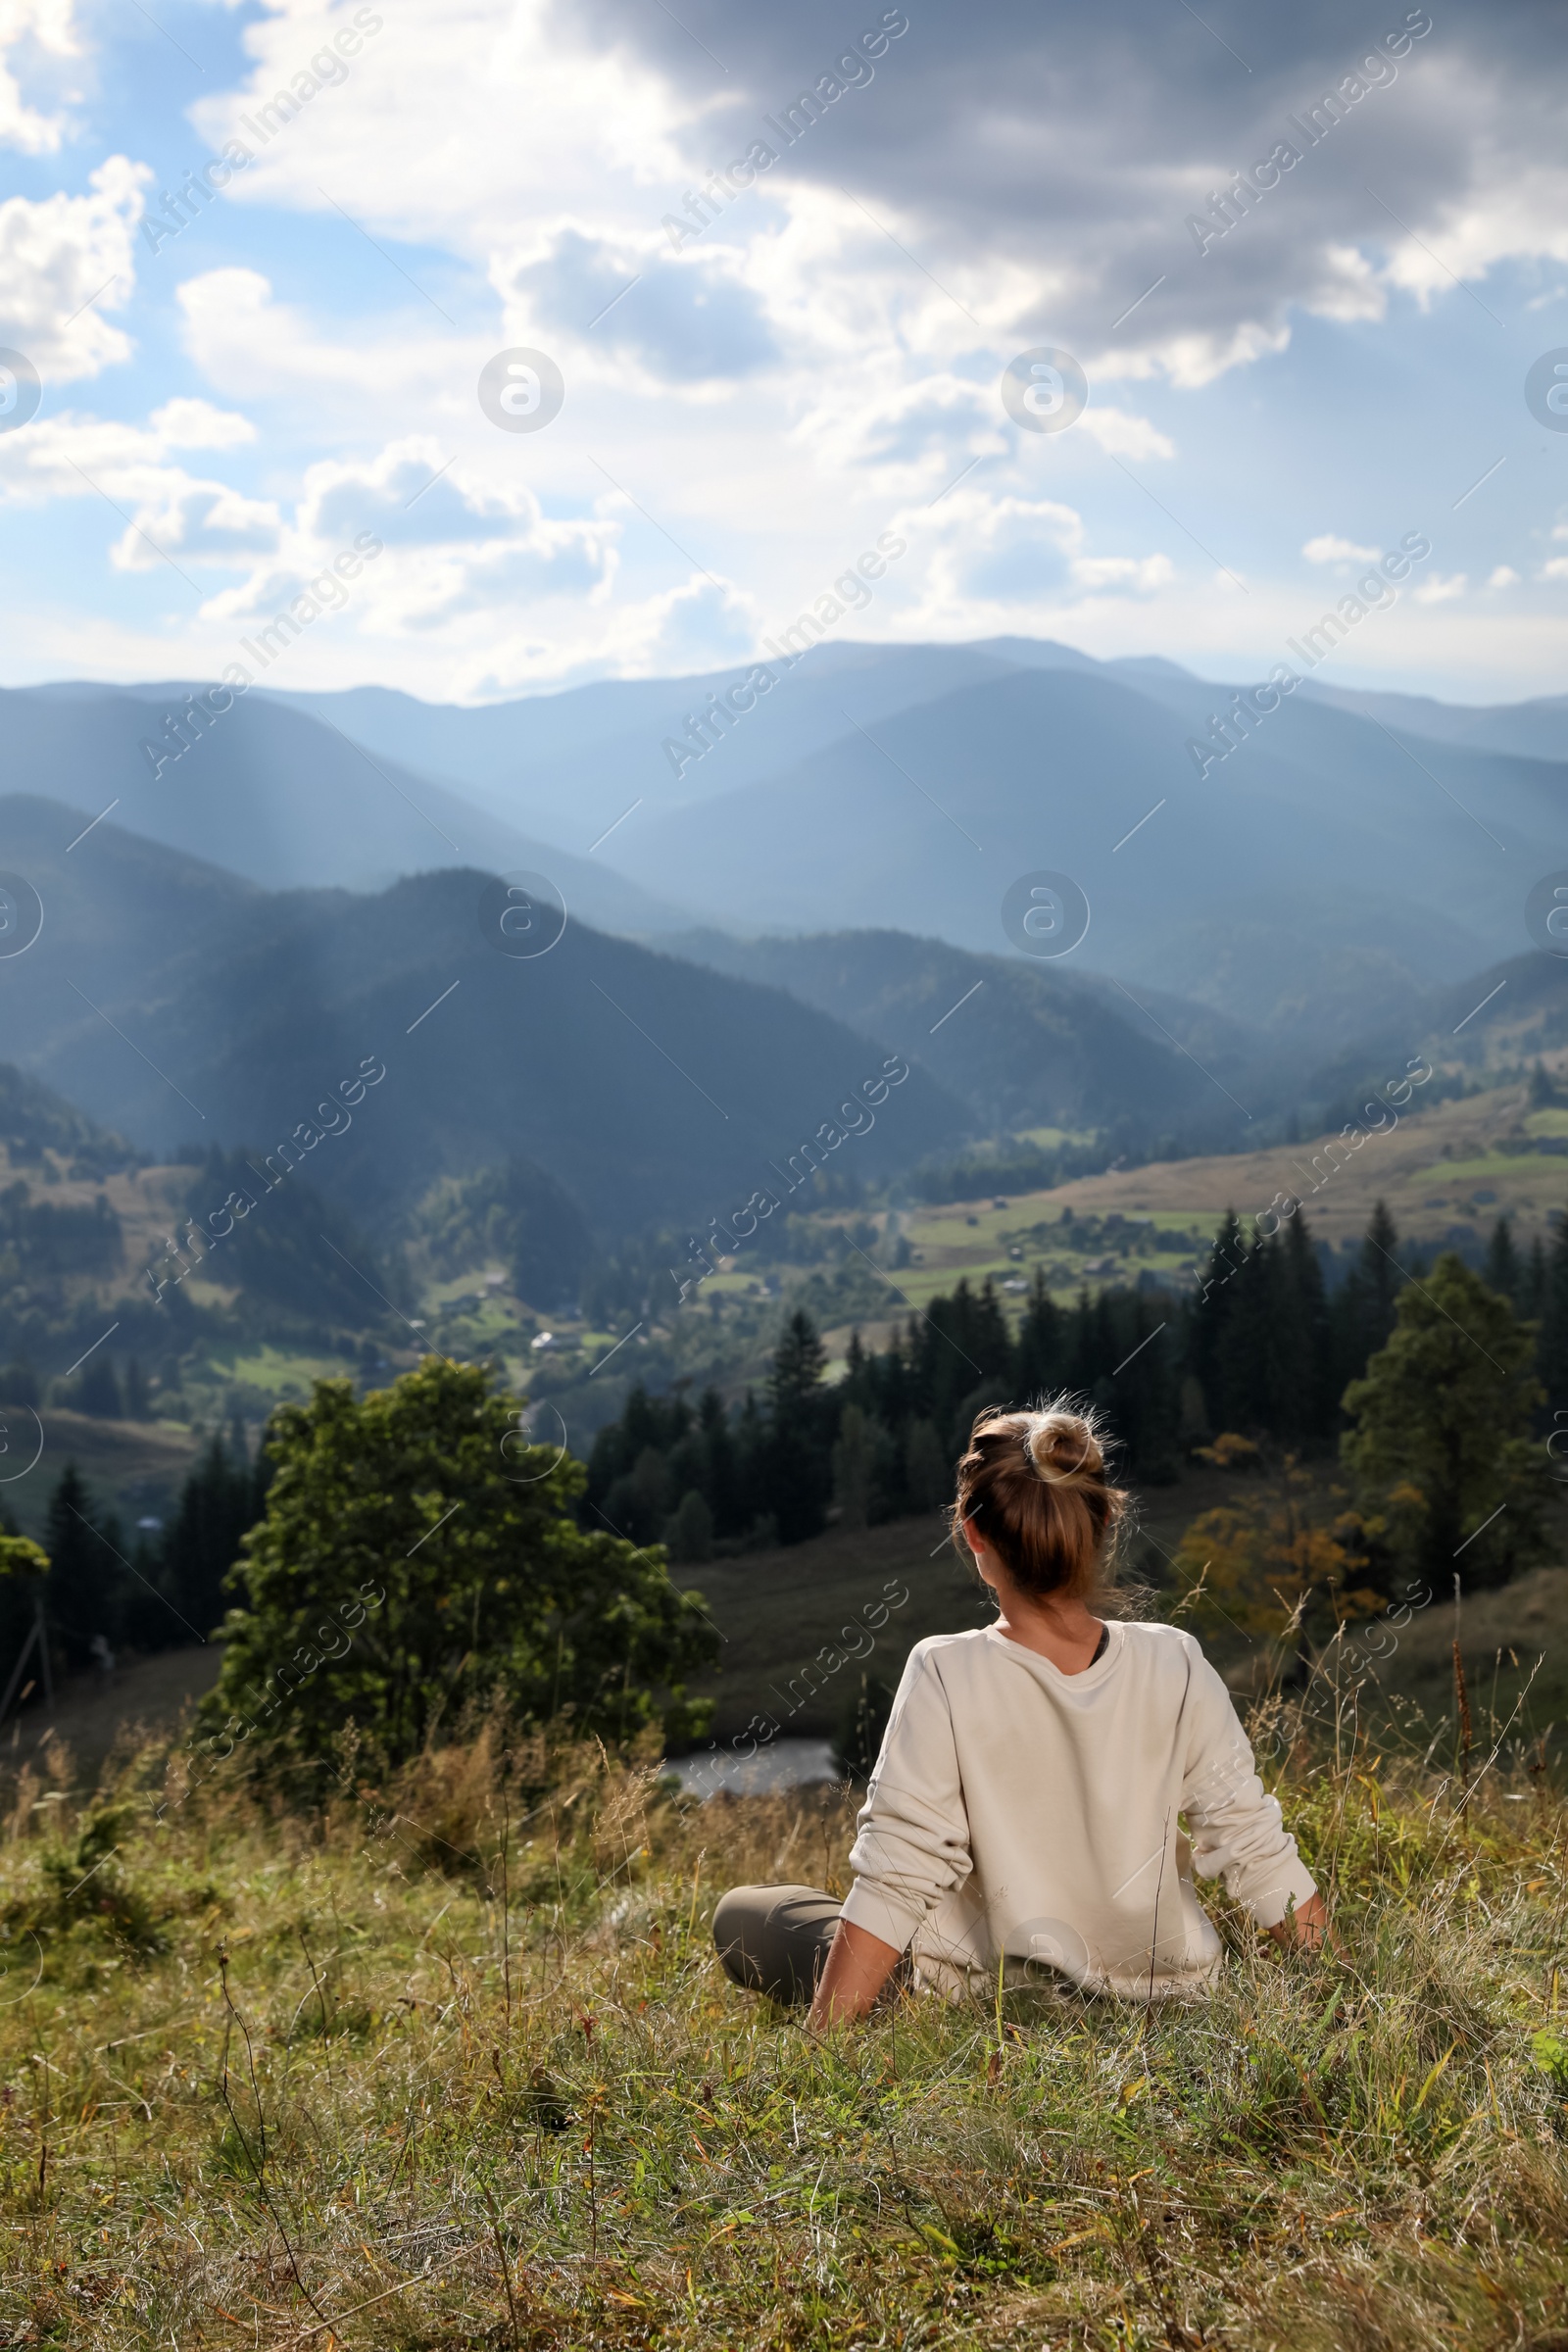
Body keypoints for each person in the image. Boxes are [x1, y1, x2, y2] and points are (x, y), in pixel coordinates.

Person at [712, 1401, 1327, 2026]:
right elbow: (1254, 1846)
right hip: (1166, 2003)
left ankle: (900, 1995)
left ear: (973, 1533)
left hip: (994, 2008)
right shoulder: (1177, 1659)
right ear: (1103, 1522)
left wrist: (823, 2053)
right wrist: (1340, 1995)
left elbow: (895, 1877)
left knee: (744, 1913)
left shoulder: (945, 1670)